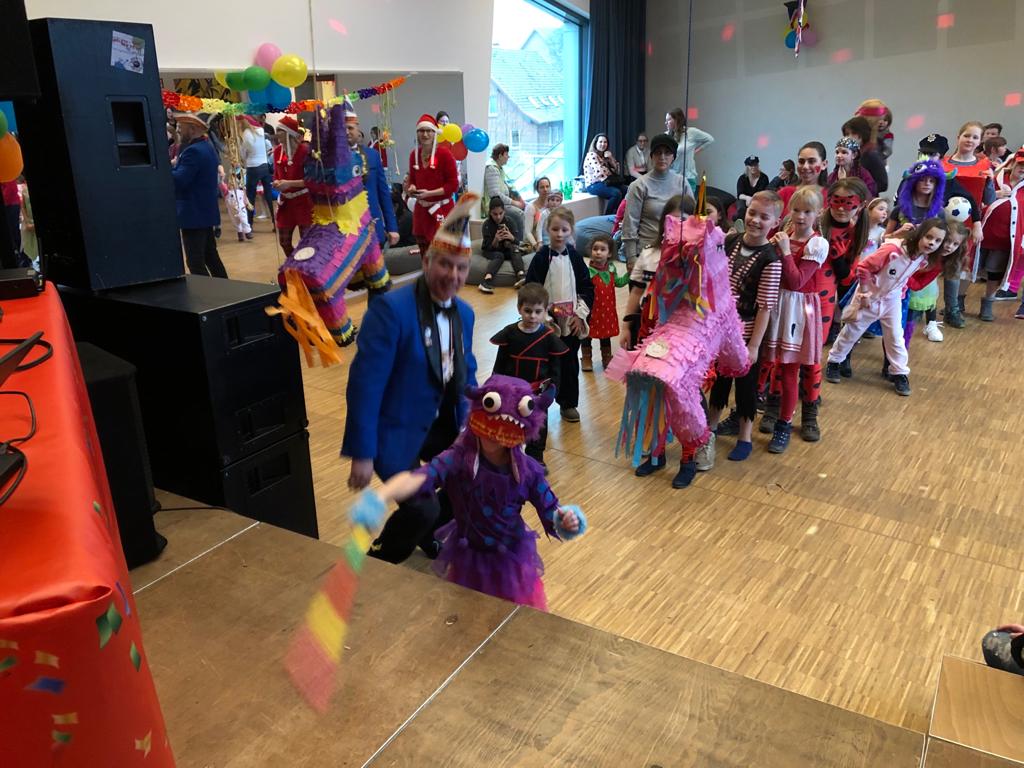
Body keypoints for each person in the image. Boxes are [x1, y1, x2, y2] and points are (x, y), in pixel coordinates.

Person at [356, 374, 585, 609]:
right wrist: (381, 496)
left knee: (509, 616)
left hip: (511, 561)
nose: (493, 437)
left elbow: (551, 509)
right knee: (469, 613)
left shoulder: (527, 471)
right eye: (488, 429)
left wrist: (566, 520)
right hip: (468, 557)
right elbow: (420, 477)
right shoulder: (458, 459)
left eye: (501, 434)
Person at [341, 193, 479, 564]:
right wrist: (362, 451)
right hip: (395, 429)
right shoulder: (390, 310)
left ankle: (427, 534)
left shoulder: (465, 314)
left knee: (468, 485)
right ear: (428, 260)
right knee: (422, 507)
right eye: (445, 264)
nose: (452, 276)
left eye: (461, 268)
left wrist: (474, 426)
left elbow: (467, 373)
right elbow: (365, 385)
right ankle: (381, 558)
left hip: (442, 425)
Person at [826, 217, 949, 397]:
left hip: (892, 299)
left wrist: (900, 290)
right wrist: (865, 293)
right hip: (870, 296)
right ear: (919, 234)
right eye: (929, 237)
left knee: (896, 336)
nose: (932, 243)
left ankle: (899, 372)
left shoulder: (923, 257)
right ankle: (834, 362)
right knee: (852, 331)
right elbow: (863, 267)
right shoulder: (893, 250)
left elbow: (904, 276)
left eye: (937, 240)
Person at [706, 191, 783, 461]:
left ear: (775, 222)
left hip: (747, 333)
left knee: (746, 386)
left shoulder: (771, 259)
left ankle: (745, 436)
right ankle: (710, 428)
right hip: (719, 330)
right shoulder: (731, 241)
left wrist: (754, 346)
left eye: (764, 217)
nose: (756, 220)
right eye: (752, 213)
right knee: (719, 380)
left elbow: (765, 306)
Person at [761, 187, 829, 453]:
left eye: (807, 211)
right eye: (797, 210)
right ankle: (761, 410)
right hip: (776, 303)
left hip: (798, 310)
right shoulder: (784, 235)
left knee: (790, 370)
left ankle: (784, 424)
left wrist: (785, 251)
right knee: (768, 362)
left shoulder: (817, 243)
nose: (801, 216)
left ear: (818, 213)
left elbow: (797, 281)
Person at [524, 206, 594, 424]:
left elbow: (586, 287)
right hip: (547, 323)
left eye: (564, 230)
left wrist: (579, 316)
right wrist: (543, 317)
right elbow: (531, 289)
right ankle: (538, 405)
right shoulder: (540, 258)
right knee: (542, 364)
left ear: (571, 230)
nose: (560, 234)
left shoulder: (575, 257)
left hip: (570, 322)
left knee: (570, 364)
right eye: (555, 229)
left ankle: (568, 403)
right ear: (548, 229)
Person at [490, 283, 569, 467]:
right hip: (512, 392)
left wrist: (552, 391)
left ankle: (536, 459)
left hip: (537, 393)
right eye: (527, 311)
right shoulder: (509, 333)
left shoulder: (549, 338)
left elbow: (556, 369)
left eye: (538, 311)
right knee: (510, 424)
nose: (532, 316)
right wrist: (493, 385)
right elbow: (500, 363)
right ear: (519, 308)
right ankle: (509, 458)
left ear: (545, 312)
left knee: (538, 426)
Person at [171, 113, 228, 278]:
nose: (178, 130)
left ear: (192, 129)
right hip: (204, 211)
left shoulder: (193, 151)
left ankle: (208, 292)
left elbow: (180, 180)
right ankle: (225, 288)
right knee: (211, 256)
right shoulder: (206, 146)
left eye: (181, 127)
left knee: (195, 261)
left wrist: (166, 168)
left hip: (193, 213)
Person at [621, 133, 690, 264]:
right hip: (648, 251)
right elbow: (630, 223)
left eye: (667, 153)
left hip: (677, 252)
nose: (662, 157)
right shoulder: (639, 185)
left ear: (673, 157)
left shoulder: (682, 183)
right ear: (651, 156)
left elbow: (692, 218)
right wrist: (631, 257)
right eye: (658, 153)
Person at [343, 100, 399, 249]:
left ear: (358, 129)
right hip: (344, 229)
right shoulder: (332, 159)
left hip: (371, 224)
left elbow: (383, 193)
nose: (347, 132)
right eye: (342, 129)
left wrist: (392, 227)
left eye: (350, 128)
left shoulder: (372, 155)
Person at [977, 148, 1024, 318]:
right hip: (981, 235)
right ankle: (957, 302)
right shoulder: (994, 177)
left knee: (995, 273)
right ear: (1013, 162)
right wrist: (996, 194)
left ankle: (988, 304)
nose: (1023, 169)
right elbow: (977, 198)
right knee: (968, 269)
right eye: (1021, 164)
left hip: (1005, 240)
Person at [404, 113, 459, 255]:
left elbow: (453, 185)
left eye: (429, 131)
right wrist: (411, 188)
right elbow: (412, 180)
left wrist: (430, 193)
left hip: (442, 211)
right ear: (417, 133)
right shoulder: (413, 155)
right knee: (425, 255)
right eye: (421, 131)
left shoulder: (445, 155)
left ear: (435, 133)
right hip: (421, 214)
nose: (425, 134)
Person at [581, 234, 627, 371]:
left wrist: (630, 274)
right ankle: (586, 357)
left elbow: (619, 282)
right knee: (587, 334)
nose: (598, 252)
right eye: (595, 249)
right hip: (591, 311)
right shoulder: (587, 272)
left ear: (610, 253)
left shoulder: (611, 269)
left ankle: (607, 357)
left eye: (602, 249)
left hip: (606, 311)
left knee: (605, 334)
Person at [271, 116, 312, 257]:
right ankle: (294, 263)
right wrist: (277, 183)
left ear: (289, 133)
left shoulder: (305, 151)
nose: (277, 134)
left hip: (304, 202)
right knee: (284, 242)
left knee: (307, 243)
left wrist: (289, 183)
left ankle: (306, 266)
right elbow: (276, 175)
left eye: (280, 130)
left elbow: (311, 180)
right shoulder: (277, 152)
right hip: (286, 203)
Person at [479, 196, 525, 294]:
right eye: (495, 214)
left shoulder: (510, 222)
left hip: (506, 249)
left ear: (504, 211)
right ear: (490, 213)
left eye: (501, 213)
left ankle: (521, 276)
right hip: (491, 250)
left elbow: (518, 242)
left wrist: (511, 237)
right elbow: (488, 248)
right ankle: (486, 281)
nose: (498, 217)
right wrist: (495, 240)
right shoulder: (487, 225)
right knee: (499, 255)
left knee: (514, 248)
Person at [238, 115, 275, 231]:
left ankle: (250, 225)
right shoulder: (260, 131)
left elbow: (243, 154)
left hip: (253, 167)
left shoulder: (245, 134)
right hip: (264, 166)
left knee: (251, 197)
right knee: (268, 196)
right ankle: (275, 222)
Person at [665, 107, 714, 193]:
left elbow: (710, 139)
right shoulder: (666, 135)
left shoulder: (691, 132)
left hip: (688, 177)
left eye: (668, 120)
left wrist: (696, 151)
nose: (666, 123)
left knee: (688, 201)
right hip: (672, 177)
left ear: (676, 120)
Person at [583, 133, 628, 215]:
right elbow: (600, 172)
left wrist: (611, 158)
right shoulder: (592, 155)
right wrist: (608, 171)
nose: (603, 144)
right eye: (600, 142)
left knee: (626, 189)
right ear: (595, 143)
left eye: (605, 142)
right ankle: (608, 216)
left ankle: (619, 214)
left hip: (605, 182)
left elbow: (616, 171)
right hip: (593, 184)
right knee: (616, 193)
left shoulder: (604, 156)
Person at [842, 116, 888, 193]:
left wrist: (861, 189)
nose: (849, 137)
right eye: (846, 134)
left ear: (862, 135)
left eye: (853, 133)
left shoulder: (871, 155)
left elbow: (883, 184)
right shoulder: (851, 155)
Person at [778, 142, 827, 213]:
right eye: (801, 161)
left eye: (811, 161)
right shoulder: (785, 193)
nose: (805, 166)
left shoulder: (832, 196)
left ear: (824, 164)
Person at [735, 155, 769, 219]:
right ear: (747, 166)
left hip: (759, 199)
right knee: (741, 209)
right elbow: (740, 195)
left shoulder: (764, 178)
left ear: (758, 165)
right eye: (751, 165)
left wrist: (752, 200)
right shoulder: (742, 178)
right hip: (744, 199)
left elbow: (763, 193)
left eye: (755, 165)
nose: (753, 167)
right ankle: (738, 222)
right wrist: (748, 198)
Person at [523, 176, 551, 251]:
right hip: (535, 244)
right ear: (537, 189)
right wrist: (537, 246)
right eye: (542, 187)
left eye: (547, 186)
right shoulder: (530, 207)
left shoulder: (552, 204)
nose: (545, 189)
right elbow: (528, 232)